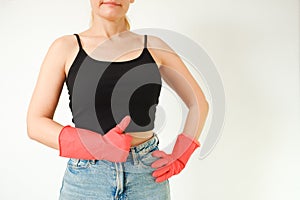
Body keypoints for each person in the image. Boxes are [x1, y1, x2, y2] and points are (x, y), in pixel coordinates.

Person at [26, 0, 209, 199]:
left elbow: (198, 103)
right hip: (86, 179)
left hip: (146, 177)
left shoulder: (155, 46)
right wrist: (98, 145)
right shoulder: (65, 47)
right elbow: (36, 123)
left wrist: (181, 154)